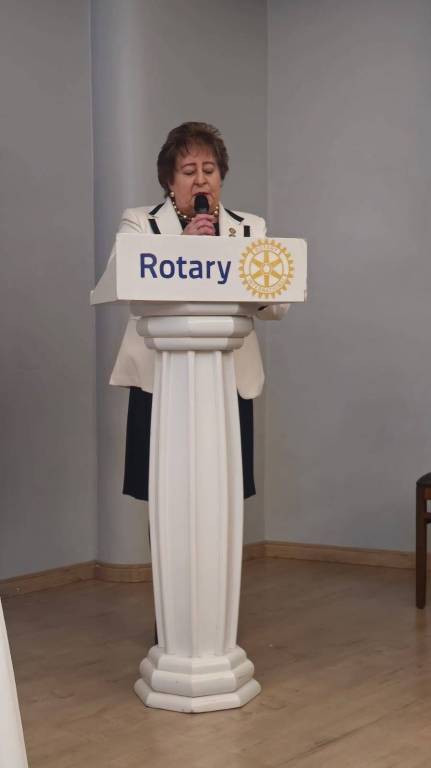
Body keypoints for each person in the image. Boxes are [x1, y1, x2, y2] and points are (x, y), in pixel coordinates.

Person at [108, 121, 288, 502]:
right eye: (189, 171)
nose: (201, 180)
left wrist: (250, 284)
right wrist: (181, 247)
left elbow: (277, 305)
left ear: (221, 176)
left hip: (229, 375)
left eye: (210, 170)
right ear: (169, 181)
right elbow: (123, 279)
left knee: (222, 491)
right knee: (164, 492)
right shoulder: (140, 222)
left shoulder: (250, 229)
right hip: (159, 376)